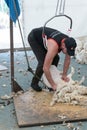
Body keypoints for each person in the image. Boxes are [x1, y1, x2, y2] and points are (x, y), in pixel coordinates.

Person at [28, 27, 77, 92]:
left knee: (56, 58)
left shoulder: (68, 42)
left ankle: (50, 78)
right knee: (42, 63)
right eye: (67, 51)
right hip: (34, 38)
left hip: (46, 39)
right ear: (63, 45)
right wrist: (53, 85)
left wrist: (64, 75)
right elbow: (45, 68)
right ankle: (34, 83)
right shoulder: (54, 46)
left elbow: (67, 59)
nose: (68, 53)